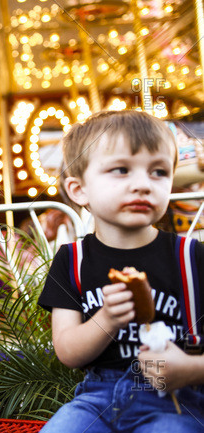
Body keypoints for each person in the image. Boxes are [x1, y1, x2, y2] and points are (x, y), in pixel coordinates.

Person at [38, 110, 204, 432]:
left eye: (158, 172)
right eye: (121, 170)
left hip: (175, 401)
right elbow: (68, 351)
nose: (142, 184)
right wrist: (107, 319)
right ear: (79, 190)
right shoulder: (72, 260)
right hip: (97, 398)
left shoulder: (191, 257)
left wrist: (191, 369)